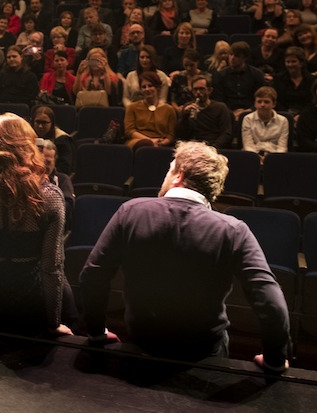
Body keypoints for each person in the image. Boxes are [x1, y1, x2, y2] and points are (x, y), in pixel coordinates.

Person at [79, 141, 290, 370]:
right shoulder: (233, 230)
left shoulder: (131, 212)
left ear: (178, 175)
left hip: (142, 346)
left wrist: (96, 332)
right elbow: (271, 303)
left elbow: (92, 276)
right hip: (205, 355)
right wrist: (275, 359)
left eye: (168, 170)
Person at [0, 113, 71, 336]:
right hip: (32, 301)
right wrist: (53, 322)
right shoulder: (50, 196)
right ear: (27, 145)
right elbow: (52, 268)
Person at [175, 74, 233, 148]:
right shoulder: (188, 107)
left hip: (213, 147)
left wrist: (213, 148)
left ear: (209, 90)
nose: (198, 92)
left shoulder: (220, 108)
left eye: (201, 89)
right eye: (195, 89)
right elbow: (180, 135)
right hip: (192, 148)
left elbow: (226, 134)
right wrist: (185, 117)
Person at [123, 71, 177, 150]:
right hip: (137, 141)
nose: (147, 89)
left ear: (157, 88)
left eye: (150, 86)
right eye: (144, 87)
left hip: (161, 143)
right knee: (146, 144)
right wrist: (150, 140)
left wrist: (164, 142)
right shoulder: (132, 107)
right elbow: (129, 131)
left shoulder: (169, 109)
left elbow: (171, 134)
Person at [213, 41, 267, 119]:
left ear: (244, 58)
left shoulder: (256, 74)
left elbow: (262, 96)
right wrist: (231, 113)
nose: (232, 58)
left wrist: (250, 110)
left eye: (237, 56)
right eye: (231, 54)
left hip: (253, 113)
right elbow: (218, 99)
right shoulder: (221, 75)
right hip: (227, 114)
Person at [240, 86, 290, 160]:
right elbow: (248, 145)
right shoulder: (248, 119)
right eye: (259, 101)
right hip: (252, 158)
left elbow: (282, 147)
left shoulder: (283, 121)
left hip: (275, 158)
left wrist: (272, 159)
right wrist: (257, 158)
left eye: (266, 102)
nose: (262, 105)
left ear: (274, 104)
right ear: (255, 103)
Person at [30, 105, 74, 175]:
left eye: (44, 123)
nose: (40, 126)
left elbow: (65, 168)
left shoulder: (62, 139)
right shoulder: (27, 137)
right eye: (38, 122)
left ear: (52, 124)